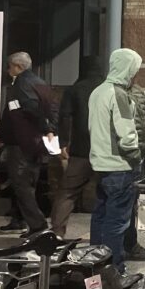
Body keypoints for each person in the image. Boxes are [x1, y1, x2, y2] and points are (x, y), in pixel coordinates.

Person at [88, 48, 144, 273]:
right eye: (135, 70)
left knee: (100, 217)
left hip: (100, 164)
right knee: (117, 221)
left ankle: (94, 264)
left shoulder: (97, 92)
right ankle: (114, 270)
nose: (136, 75)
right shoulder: (118, 94)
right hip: (120, 165)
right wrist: (136, 157)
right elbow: (127, 133)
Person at [0, 51, 55, 235]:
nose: (8, 71)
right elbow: (52, 109)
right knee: (30, 182)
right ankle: (18, 219)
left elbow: (30, 109)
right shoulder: (41, 83)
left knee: (21, 184)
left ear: (18, 67)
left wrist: (45, 127)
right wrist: (50, 129)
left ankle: (37, 225)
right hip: (37, 142)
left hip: (21, 142)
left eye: (9, 66)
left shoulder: (21, 84)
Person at [50, 55, 103, 238]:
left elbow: (65, 117)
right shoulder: (108, 89)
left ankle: (57, 233)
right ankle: (101, 237)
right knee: (105, 194)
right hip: (105, 152)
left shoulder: (74, 89)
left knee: (67, 193)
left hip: (80, 151)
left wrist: (64, 143)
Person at [124, 67, 145, 261]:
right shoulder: (115, 92)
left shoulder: (138, 91)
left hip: (140, 153)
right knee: (123, 204)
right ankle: (123, 246)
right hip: (125, 156)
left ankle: (130, 243)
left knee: (133, 202)